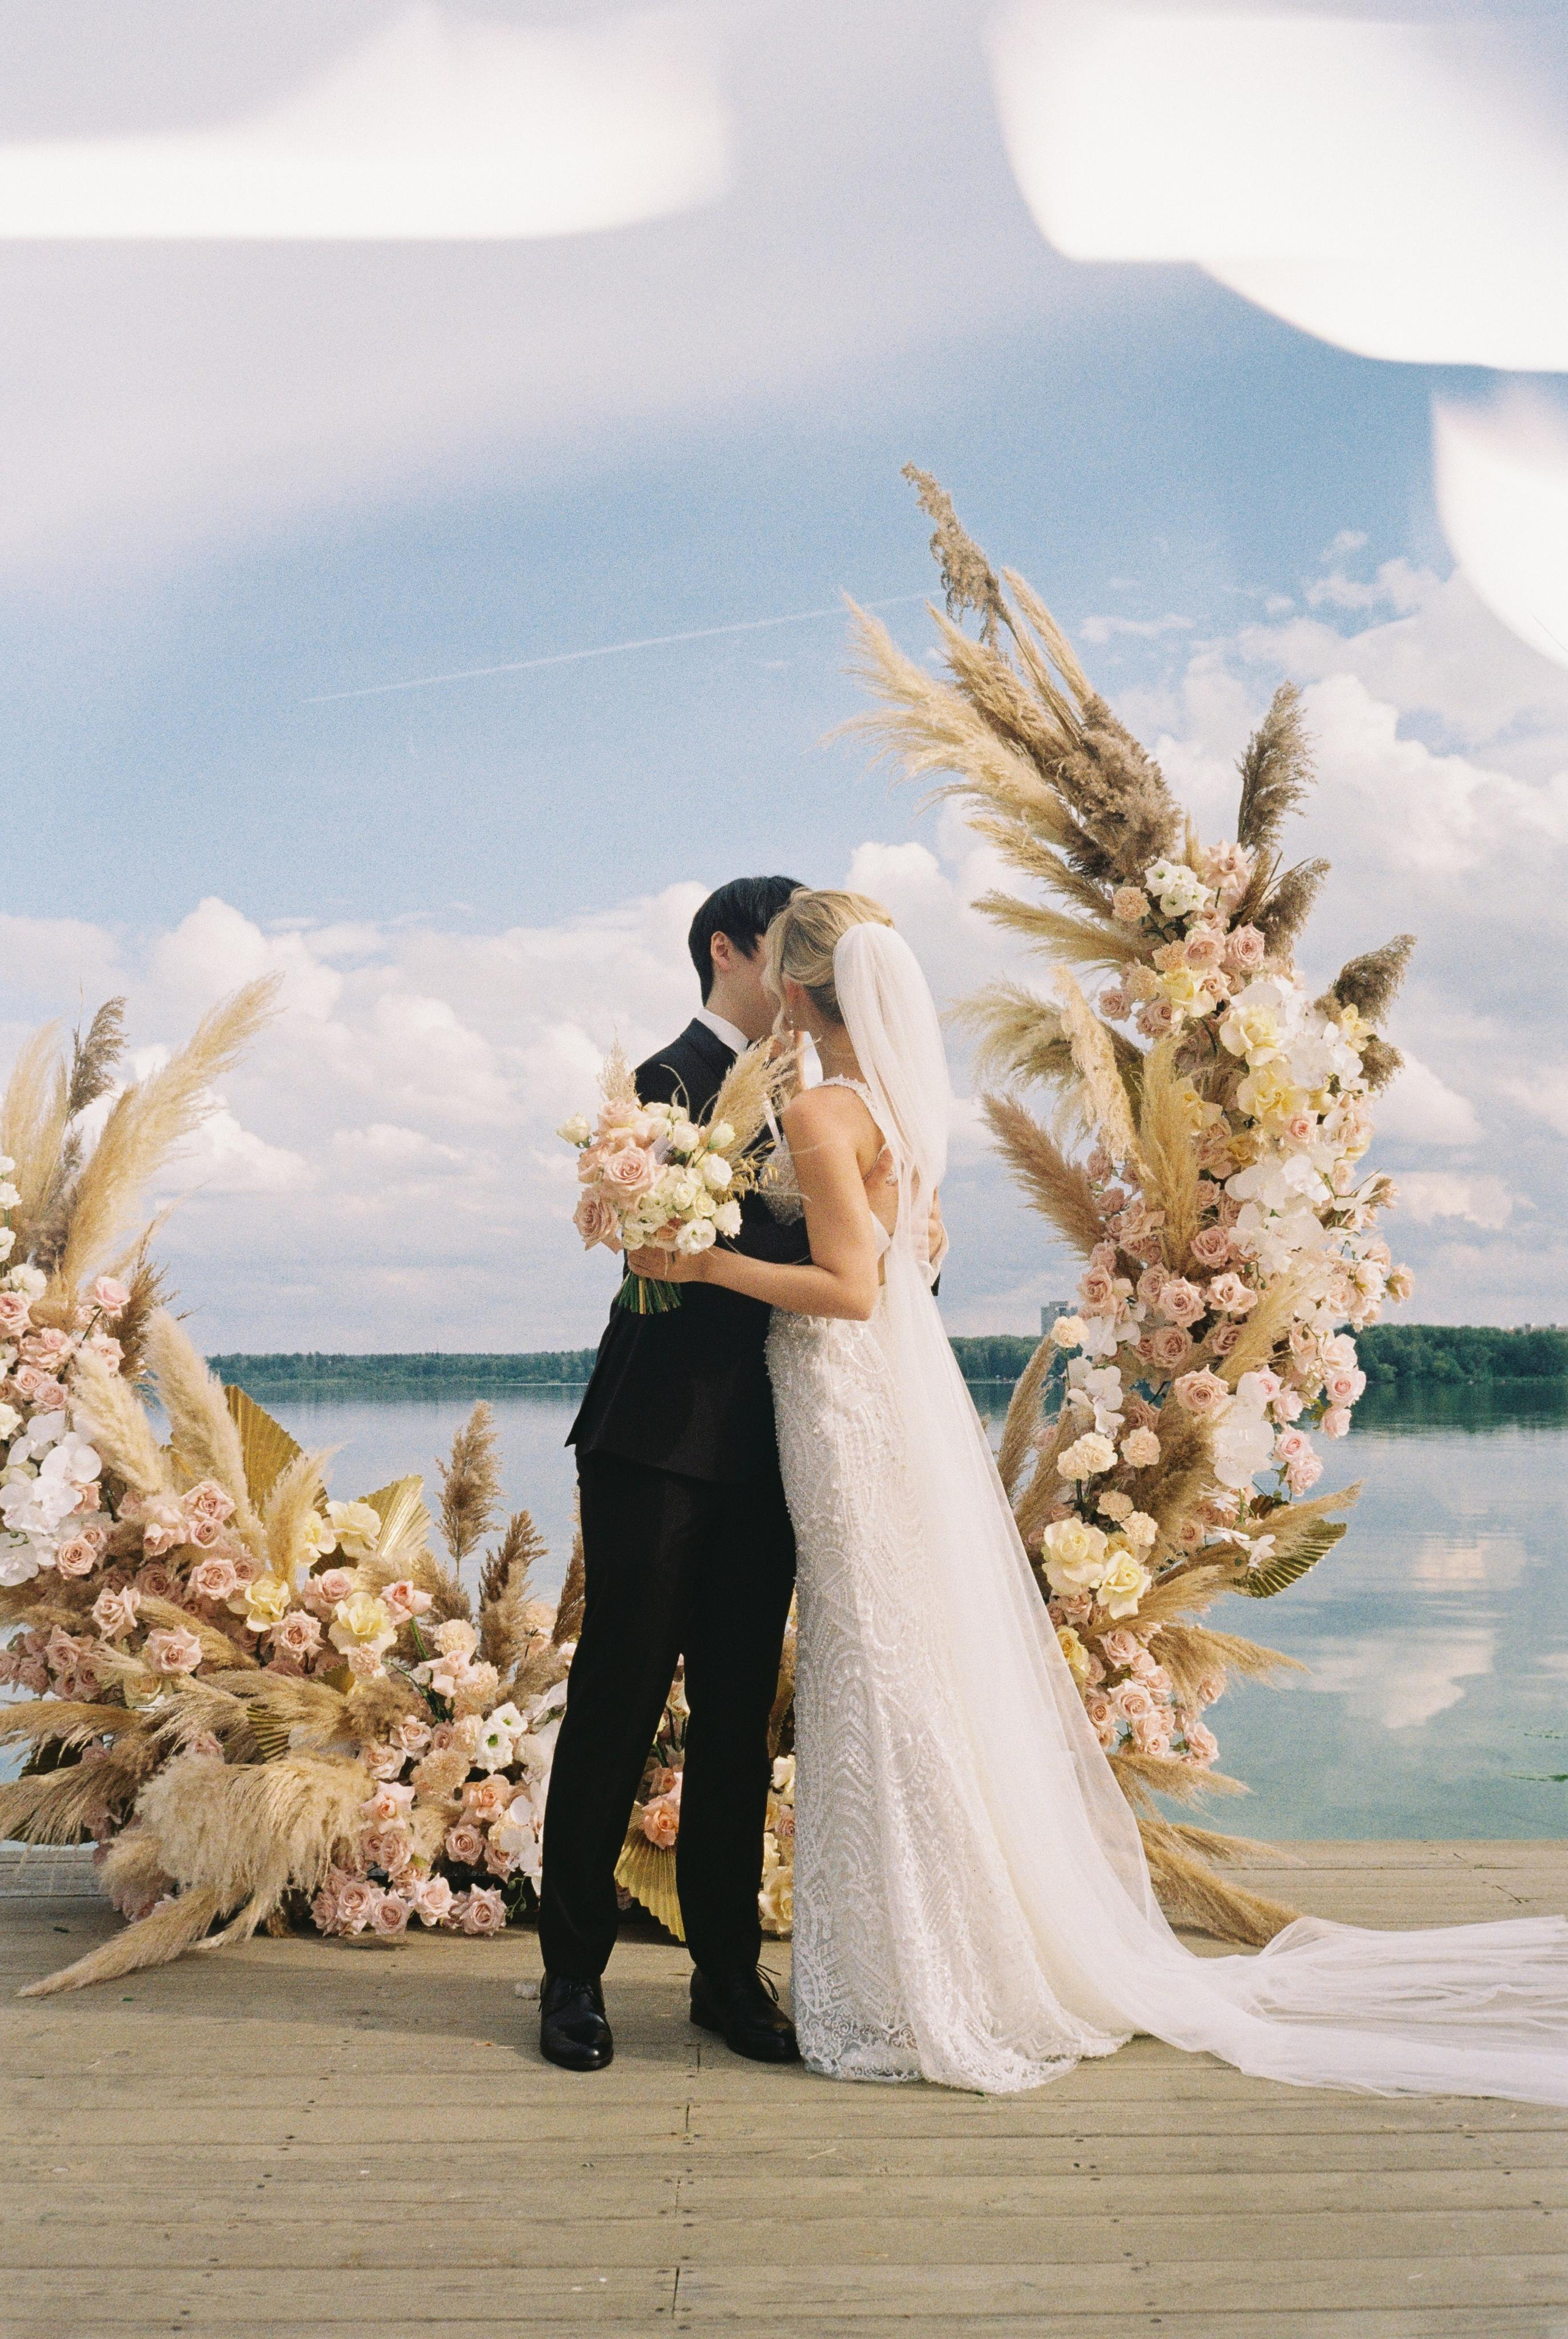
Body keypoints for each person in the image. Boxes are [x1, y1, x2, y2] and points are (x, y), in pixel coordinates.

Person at [638, 888, 1568, 2101]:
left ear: (800, 988)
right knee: (896, 1663)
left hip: (843, 1396)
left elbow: (854, 1287)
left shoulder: (818, 1105)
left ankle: (917, 1972)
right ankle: (947, 1945)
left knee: (875, 1664)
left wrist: (699, 1257)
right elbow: (909, 1258)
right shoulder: (896, 1108)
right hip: (879, 1408)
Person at [538, 875, 807, 2073]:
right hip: (653, 1437)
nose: (802, 976)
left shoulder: (819, 1099)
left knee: (740, 1720)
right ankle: (568, 1977)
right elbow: (661, 1254)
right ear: (725, 949)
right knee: (618, 1698)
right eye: (786, 951)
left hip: (769, 1447)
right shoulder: (658, 1084)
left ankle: (723, 1973)